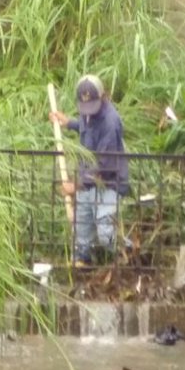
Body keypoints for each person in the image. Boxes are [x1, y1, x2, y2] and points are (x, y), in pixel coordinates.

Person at [49, 74, 129, 265]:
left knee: (105, 232)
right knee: (82, 225)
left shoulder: (110, 123)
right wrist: (68, 123)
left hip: (109, 182)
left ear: (103, 96)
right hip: (87, 177)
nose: (88, 111)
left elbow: (104, 165)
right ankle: (83, 259)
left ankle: (128, 253)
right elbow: (87, 128)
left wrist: (76, 185)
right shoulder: (88, 111)